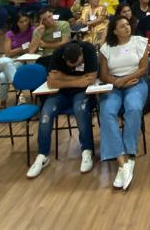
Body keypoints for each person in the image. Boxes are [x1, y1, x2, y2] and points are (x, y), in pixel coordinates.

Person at [27, 40, 98, 178]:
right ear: (64, 58)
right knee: (46, 113)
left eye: (78, 64)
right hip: (60, 92)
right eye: (71, 65)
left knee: (80, 110)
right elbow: (52, 82)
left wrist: (63, 78)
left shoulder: (89, 50)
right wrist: (78, 80)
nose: (75, 67)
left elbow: (90, 79)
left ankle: (87, 150)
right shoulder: (59, 52)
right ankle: (42, 155)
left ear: (82, 55)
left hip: (82, 92)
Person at [98, 16, 149, 190]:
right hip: (113, 84)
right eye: (122, 26)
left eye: (127, 24)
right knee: (107, 112)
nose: (127, 27)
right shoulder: (106, 48)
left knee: (133, 108)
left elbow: (143, 68)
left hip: (135, 82)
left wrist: (125, 80)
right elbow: (103, 75)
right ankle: (122, 160)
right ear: (114, 31)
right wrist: (116, 82)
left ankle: (129, 152)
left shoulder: (139, 42)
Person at [0, 13, 40, 106]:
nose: (24, 23)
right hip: (7, 59)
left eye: (26, 20)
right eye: (21, 22)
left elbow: (33, 47)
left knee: (2, 77)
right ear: (16, 23)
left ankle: (4, 100)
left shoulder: (33, 30)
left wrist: (16, 50)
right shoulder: (10, 33)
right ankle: (19, 90)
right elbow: (7, 53)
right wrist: (22, 48)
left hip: (21, 60)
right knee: (6, 61)